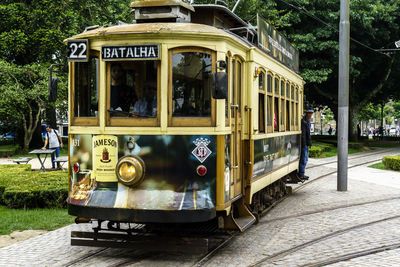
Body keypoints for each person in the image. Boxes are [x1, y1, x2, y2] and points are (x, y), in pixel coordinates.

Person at [298, 108, 313, 181]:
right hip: (304, 143)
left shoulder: (307, 121)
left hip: (306, 143)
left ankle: (302, 172)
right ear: (306, 114)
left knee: (305, 159)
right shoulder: (304, 122)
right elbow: (303, 134)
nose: (310, 115)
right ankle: (301, 173)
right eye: (309, 113)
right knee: (303, 159)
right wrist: (304, 144)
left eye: (311, 113)